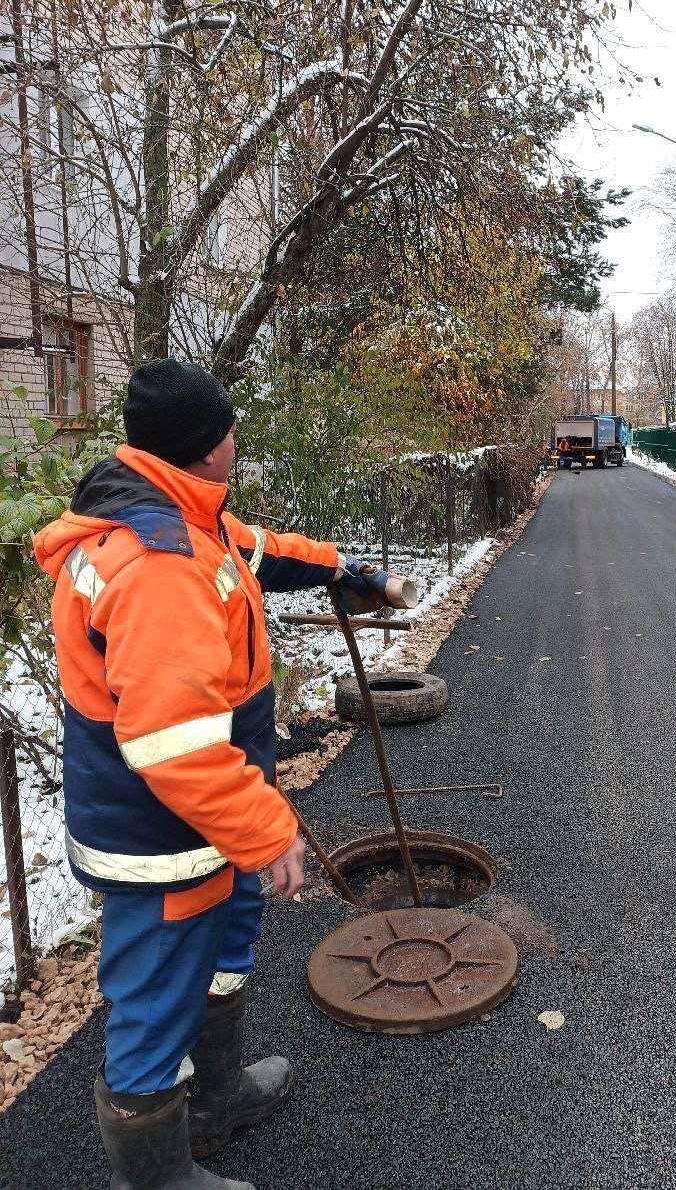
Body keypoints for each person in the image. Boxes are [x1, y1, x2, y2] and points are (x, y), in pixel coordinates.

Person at [33, 360, 364, 1190]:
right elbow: (174, 746)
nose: (235, 438)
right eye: (226, 429)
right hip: (165, 833)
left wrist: (341, 569)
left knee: (221, 951)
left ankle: (215, 1100)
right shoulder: (158, 566)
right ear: (202, 449)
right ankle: (155, 1177)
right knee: (154, 995)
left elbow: (257, 552)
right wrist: (266, 827)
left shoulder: (178, 513)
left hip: (208, 815)